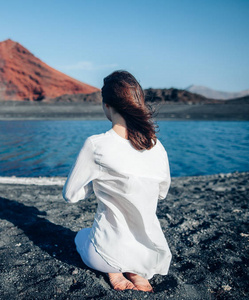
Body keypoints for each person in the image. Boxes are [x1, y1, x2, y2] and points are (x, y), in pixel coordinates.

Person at [62, 70, 172, 292]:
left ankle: (114, 268)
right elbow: (161, 193)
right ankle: (135, 269)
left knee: (81, 235)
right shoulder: (156, 146)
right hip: (149, 254)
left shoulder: (97, 145)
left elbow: (70, 195)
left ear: (107, 105)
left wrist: (99, 183)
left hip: (103, 254)